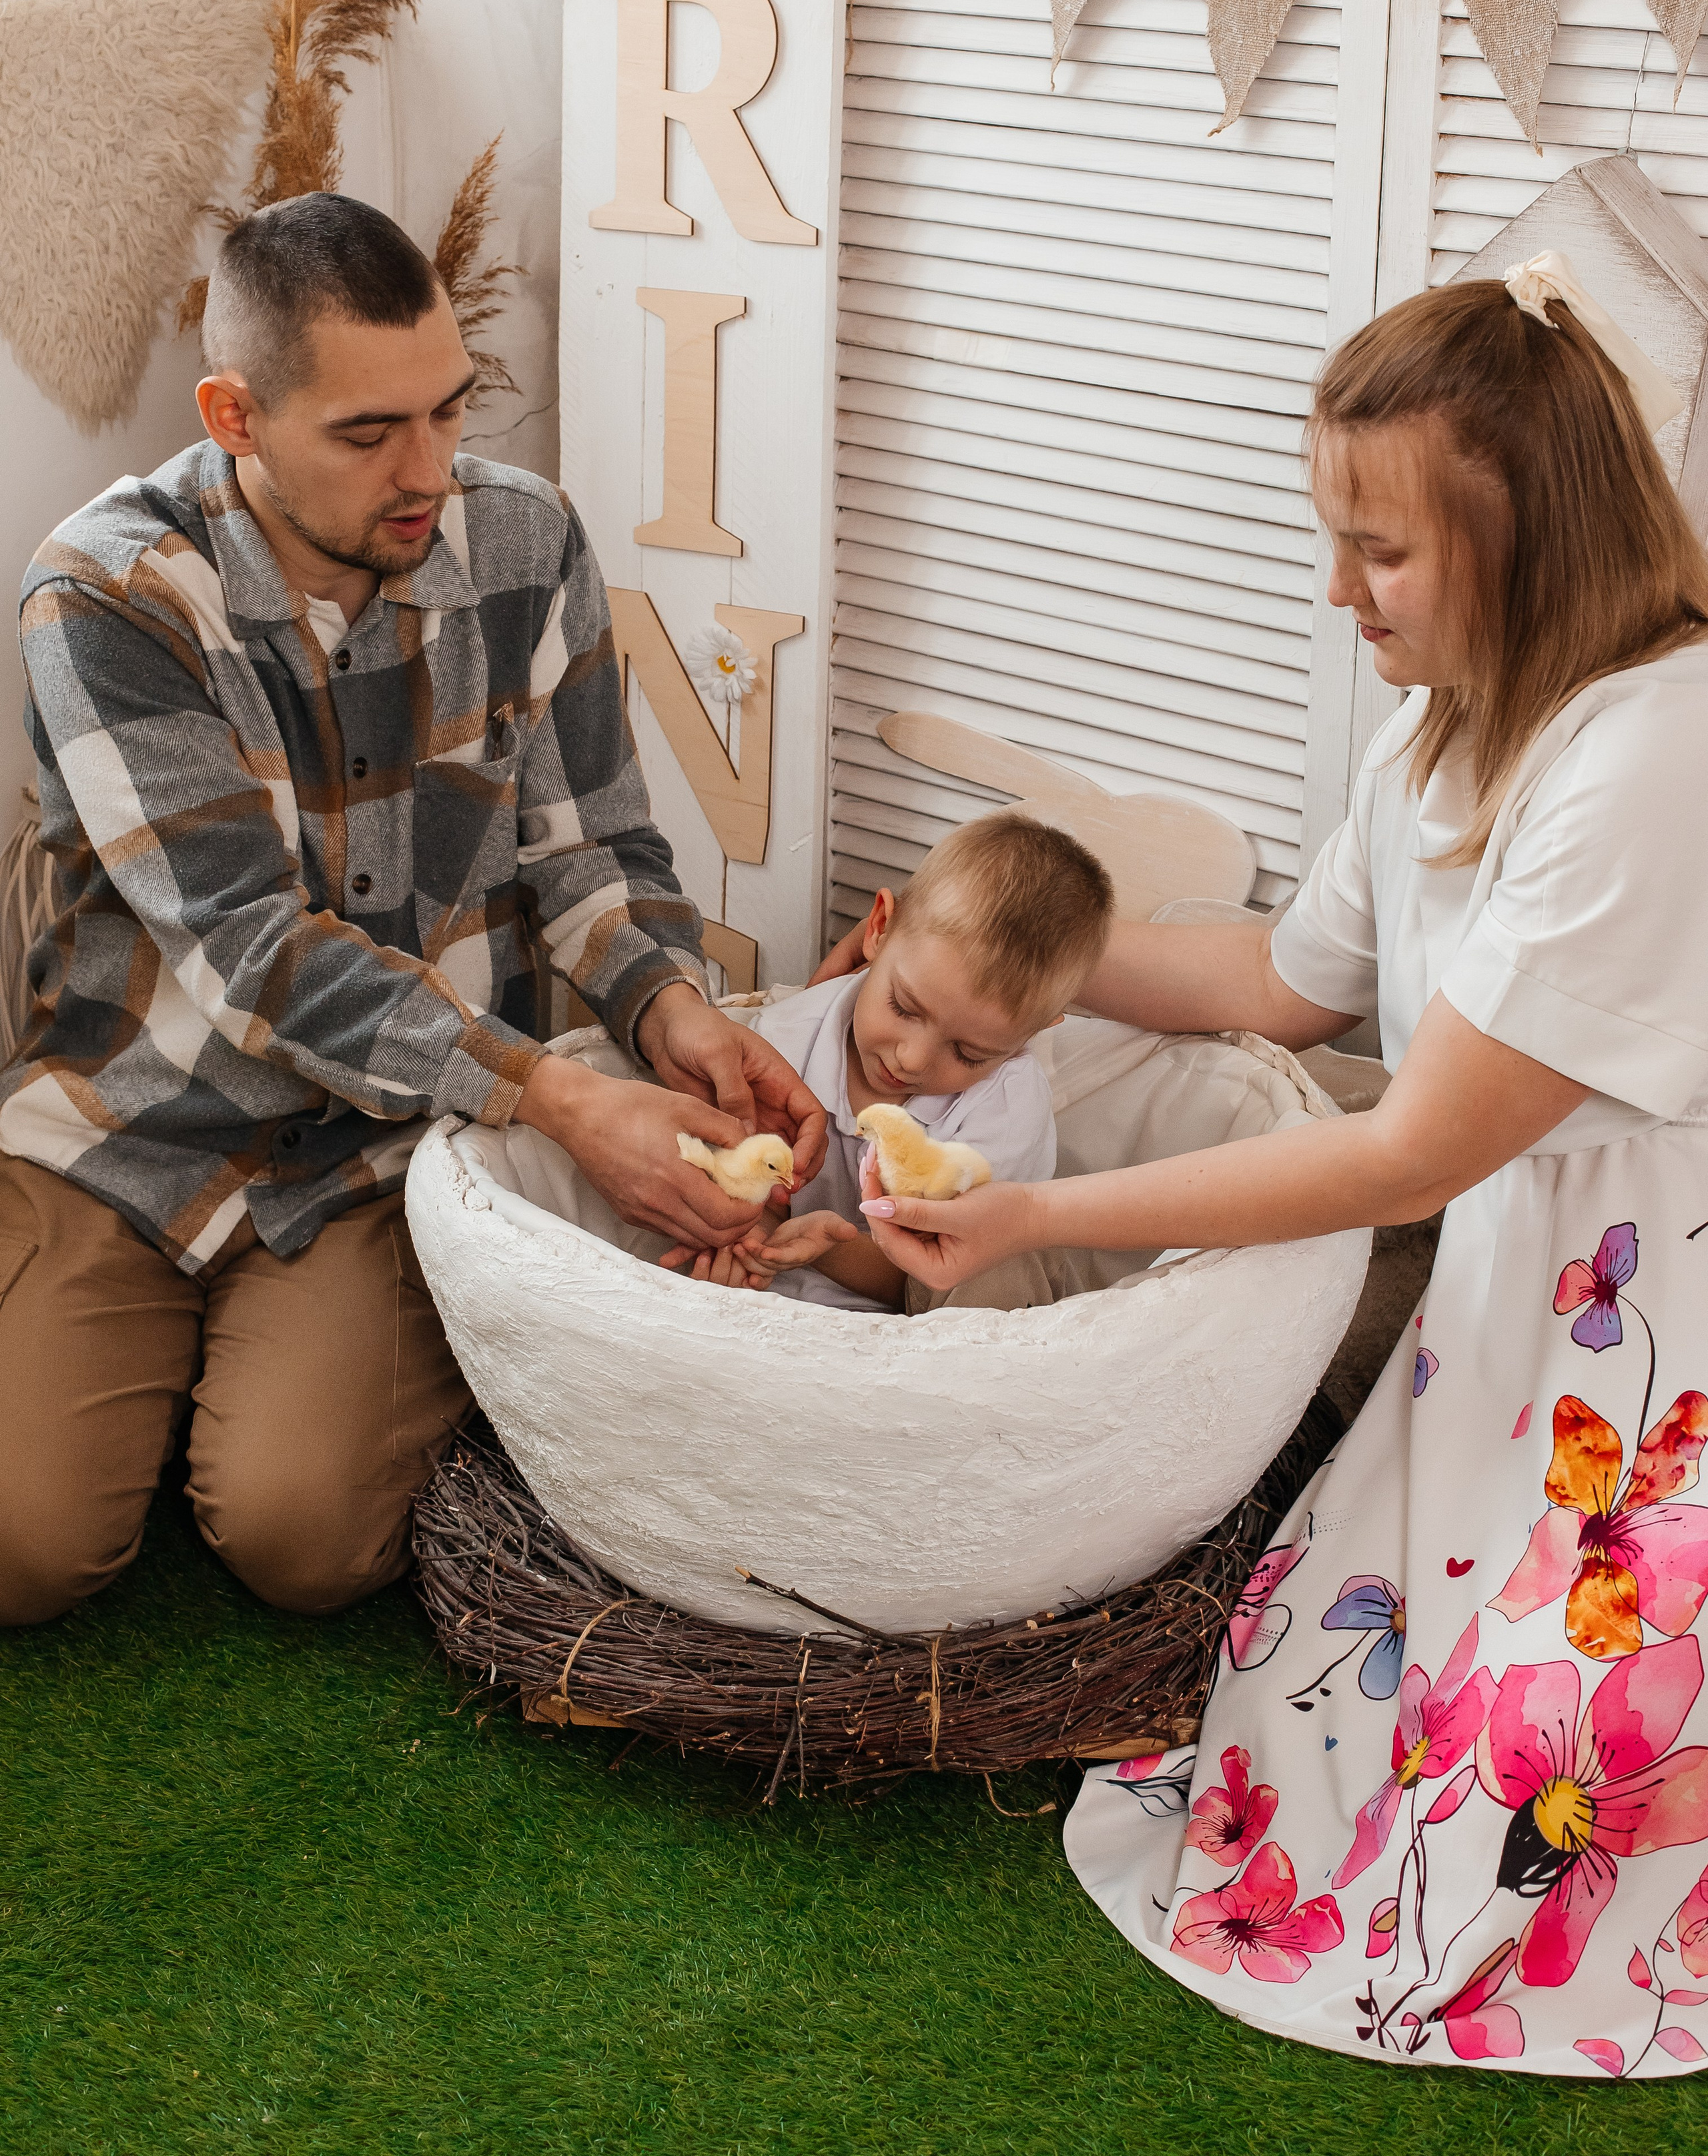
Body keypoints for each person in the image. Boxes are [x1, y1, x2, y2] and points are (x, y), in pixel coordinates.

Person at [845, 262, 1708, 2076]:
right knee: (1299, 1741)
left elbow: (1405, 1148)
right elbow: (1275, 980)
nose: (1339, 594)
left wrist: (1030, 1214)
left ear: (1524, 535)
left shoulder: (1652, 751)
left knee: (1526, 1830)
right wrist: (982, 953)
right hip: (1514, 1341)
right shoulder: (1442, 727)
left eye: (1378, 551)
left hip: (1657, 1356)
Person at [0, 193, 824, 1629]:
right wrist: (564, 1104)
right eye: (369, 434)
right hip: (129, 1119)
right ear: (234, 415)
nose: (428, 469)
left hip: (389, 1149)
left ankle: (251, 1378)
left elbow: (591, 852)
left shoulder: (527, 542)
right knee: (24, 1549)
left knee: (303, 1544)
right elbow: (253, 954)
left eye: (448, 411)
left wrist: (672, 1013)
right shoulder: (106, 593)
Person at [667, 812, 1112, 1310]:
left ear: (1036, 1032)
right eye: (903, 1008)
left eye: (969, 1054)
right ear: (878, 929)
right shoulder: (781, 1041)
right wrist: (747, 1238)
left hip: (930, 1318)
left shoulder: (1008, 1112)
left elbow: (944, 1277)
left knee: (1006, 1287)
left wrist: (824, 1249)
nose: (912, 1059)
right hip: (779, 1300)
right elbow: (726, 1181)